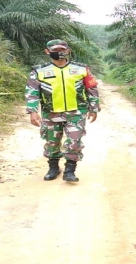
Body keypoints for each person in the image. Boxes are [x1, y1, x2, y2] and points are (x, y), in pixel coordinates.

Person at [25, 39, 100, 183]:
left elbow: (91, 88)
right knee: (52, 141)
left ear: (68, 51)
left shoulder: (82, 69)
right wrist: (33, 111)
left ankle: (69, 170)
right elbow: (32, 92)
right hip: (51, 113)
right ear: (48, 52)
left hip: (76, 113)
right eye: (56, 51)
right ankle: (53, 168)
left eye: (62, 50)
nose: (60, 53)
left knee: (74, 141)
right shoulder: (39, 71)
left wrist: (94, 108)